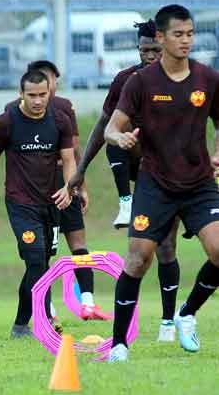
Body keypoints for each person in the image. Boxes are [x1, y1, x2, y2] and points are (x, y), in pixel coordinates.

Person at [105, 5, 219, 362]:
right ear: (160, 37)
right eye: (177, 34)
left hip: (199, 182)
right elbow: (112, 126)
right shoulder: (141, 82)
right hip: (155, 183)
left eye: (189, 34)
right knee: (138, 259)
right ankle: (120, 343)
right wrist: (119, 139)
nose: (185, 41)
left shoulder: (207, 79)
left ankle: (186, 313)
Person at [69, 19, 182, 342]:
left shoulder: (184, 79)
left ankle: (167, 321)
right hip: (137, 168)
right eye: (143, 50)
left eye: (154, 50)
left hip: (171, 172)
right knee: (119, 127)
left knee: (166, 248)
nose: (149, 56)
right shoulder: (127, 81)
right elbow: (104, 126)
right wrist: (80, 170)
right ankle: (125, 201)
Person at [0, 70, 74, 338]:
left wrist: (69, 187)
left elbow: (68, 160)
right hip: (20, 204)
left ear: (50, 93)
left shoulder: (60, 120)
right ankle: (38, 323)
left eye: (42, 95)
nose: (37, 101)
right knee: (36, 260)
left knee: (42, 262)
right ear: (20, 94)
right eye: (31, 95)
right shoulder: (7, 122)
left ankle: (23, 324)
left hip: (51, 203)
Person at [24, 60, 109, 322]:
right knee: (45, 253)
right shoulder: (19, 112)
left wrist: (80, 185)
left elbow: (74, 149)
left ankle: (86, 303)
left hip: (66, 186)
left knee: (76, 245)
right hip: (40, 192)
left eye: (52, 80)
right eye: (48, 79)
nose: (50, 85)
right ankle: (51, 308)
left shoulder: (63, 108)